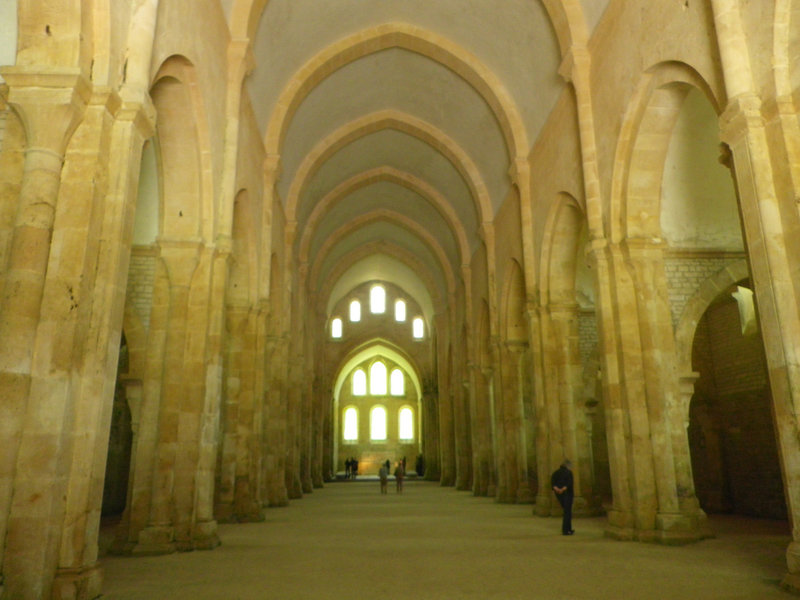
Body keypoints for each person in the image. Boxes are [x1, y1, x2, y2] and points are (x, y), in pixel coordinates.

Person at [551, 459, 574, 535]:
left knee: (566, 511)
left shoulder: (556, 472)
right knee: (567, 512)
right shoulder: (569, 472)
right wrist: (563, 489)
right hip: (567, 493)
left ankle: (568, 529)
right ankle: (566, 530)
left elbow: (552, 483)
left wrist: (557, 489)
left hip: (558, 493)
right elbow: (569, 483)